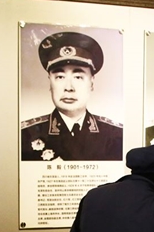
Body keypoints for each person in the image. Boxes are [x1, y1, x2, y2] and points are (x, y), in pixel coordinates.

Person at [21, 31, 123, 161]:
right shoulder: (25, 135)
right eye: (60, 77)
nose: (68, 87)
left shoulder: (114, 135)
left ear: (91, 82)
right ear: (50, 82)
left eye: (78, 77)